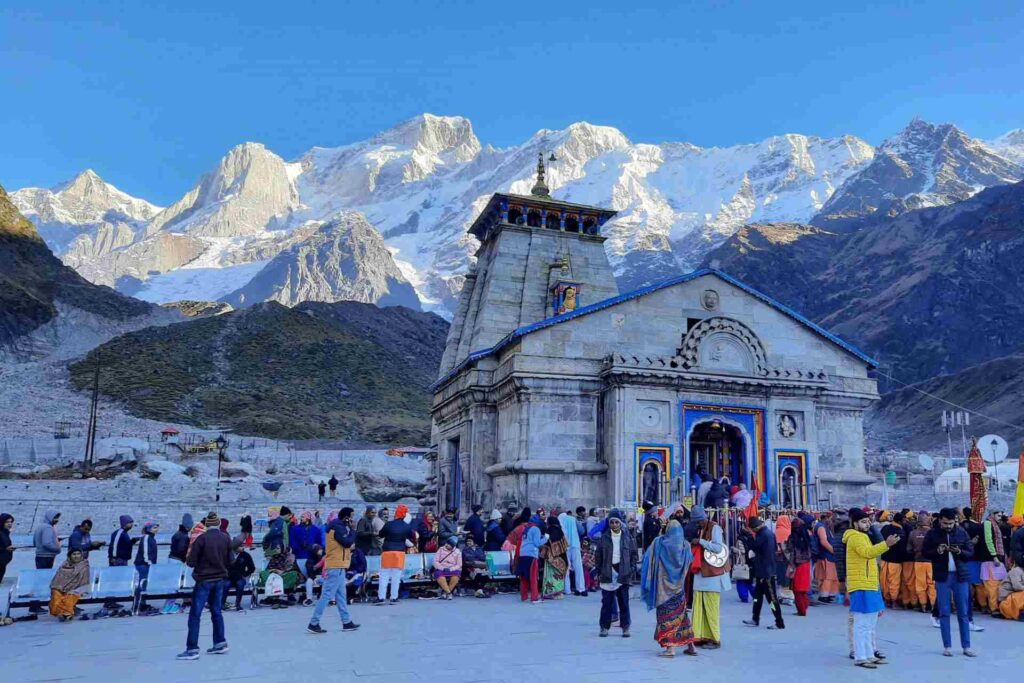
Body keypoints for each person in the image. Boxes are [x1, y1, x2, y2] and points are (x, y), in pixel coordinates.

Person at [844, 507, 898, 669]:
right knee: (862, 624)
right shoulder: (855, 537)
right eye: (863, 521)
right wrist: (886, 544)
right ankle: (860, 656)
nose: (867, 524)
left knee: (870, 624)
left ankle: (868, 654)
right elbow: (867, 553)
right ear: (854, 523)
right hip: (861, 584)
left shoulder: (864, 536)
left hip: (870, 583)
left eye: (868, 521)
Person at [178, 512, 231, 660]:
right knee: (217, 611)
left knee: (196, 614)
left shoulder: (202, 539)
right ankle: (220, 642)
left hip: (204, 580)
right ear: (219, 524)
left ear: (207, 525)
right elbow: (230, 560)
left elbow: (191, 562)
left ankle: (192, 648)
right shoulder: (225, 538)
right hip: (219, 579)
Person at [924, 507, 976, 657]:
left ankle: (966, 646)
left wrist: (959, 552)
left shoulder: (961, 532)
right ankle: (947, 646)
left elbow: (970, 552)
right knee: (944, 612)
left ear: (955, 521)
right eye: (945, 523)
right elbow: (925, 552)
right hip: (942, 576)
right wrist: (937, 551)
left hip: (960, 576)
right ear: (940, 520)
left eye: (951, 523)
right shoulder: (932, 534)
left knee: (963, 612)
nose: (948, 526)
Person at [641, 519, 695, 657]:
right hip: (679, 588)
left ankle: (670, 649)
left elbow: (647, 559)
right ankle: (691, 646)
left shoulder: (659, 543)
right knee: (682, 616)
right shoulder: (686, 546)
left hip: (663, 588)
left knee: (666, 617)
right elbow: (689, 562)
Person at [307, 507, 360, 633]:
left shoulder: (336, 526)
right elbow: (347, 543)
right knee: (326, 595)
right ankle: (314, 623)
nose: (352, 519)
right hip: (336, 565)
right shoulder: (337, 527)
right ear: (346, 517)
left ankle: (346, 622)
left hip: (339, 565)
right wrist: (353, 530)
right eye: (351, 516)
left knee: (341, 596)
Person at [692, 508, 730, 649]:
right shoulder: (700, 529)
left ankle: (715, 639)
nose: (699, 524)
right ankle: (699, 635)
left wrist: (701, 542)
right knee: (699, 607)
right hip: (701, 574)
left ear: (704, 518)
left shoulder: (715, 528)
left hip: (713, 576)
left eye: (699, 521)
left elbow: (718, 548)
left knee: (711, 608)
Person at [597, 510, 637, 637]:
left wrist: (631, 568)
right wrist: (599, 571)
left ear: (620, 523)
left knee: (624, 602)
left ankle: (625, 627)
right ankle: (604, 627)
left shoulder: (627, 537)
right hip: (608, 573)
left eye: (616, 522)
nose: (614, 525)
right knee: (607, 602)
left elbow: (633, 554)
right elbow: (598, 556)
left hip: (623, 573)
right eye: (612, 522)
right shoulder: (604, 538)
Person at [743, 516, 785, 630]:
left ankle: (779, 622)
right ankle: (755, 618)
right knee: (757, 597)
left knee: (771, 599)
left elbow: (754, 547)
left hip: (766, 573)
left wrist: (749, 537)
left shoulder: (763, 535)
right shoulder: (768, 533)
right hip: (763, 571)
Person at [377, 503, 415, 605]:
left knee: (384, 575)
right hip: (400, 552)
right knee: (396, 576)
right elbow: (412, 535)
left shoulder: (389, 524)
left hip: (387, 551)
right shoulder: (407, 526)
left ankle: (381, 597)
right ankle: (394, 597)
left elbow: (380, 534)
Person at [977, 510, 1007, 616]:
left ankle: (994, 607)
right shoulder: (988, 523)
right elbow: (988, 540)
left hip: (995, 558)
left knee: (996, 584)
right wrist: (994, 555)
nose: (1000, 517)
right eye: (998, 515)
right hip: (990, 559)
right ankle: (994, 608)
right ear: (991, 515)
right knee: (992, 585)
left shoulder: (995, 524)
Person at [49, 547, 90, 621]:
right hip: (61, 587)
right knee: (56, 594)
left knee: (70, 596)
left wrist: (70, 588)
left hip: (79, 587)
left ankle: (66, 614)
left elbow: (84, 580)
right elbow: (58, 578)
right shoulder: (64, 565)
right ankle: (64, 613)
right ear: (70, 556)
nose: (76, 556)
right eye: (74, 554)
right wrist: (59, 587)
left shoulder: (84, 565)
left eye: (78, 554)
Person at [880, 512, 909, 608]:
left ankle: (886, 599)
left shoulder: (885, 528)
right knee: (894, 581)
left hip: (884, 558)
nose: (905, 522)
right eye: (904, 520)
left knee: (884, 580)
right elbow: (902, 548)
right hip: (895, 561)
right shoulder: (900, 531)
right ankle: (894, 600)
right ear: (900, 521)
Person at [517, 514, 548, 603]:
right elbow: (537, 543)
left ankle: (524, 597)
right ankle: (534, 598)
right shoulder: (536, 529)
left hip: (523, 554)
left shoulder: (525, 529)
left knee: (524, 577)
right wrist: (545, 538)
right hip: (531, 555)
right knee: (533, 576)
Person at [908, 512, 936, 612]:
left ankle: (923, 605)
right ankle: (933, 605)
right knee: (932, 583)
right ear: (928, 520)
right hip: (931, 562)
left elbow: (909, 549)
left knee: (920, 584)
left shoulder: (912, 533)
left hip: (918, 561)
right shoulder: (933, 532)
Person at [787, 516, 813, 616]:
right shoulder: (807, 536)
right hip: (806, 564)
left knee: (797, 589)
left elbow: (791, 553)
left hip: (797, 565)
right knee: (803, 589)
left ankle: (801, 610)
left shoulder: (793, 538)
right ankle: (804, 606)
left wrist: (791, 566)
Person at [812, 513, 839, 603]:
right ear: (826, 518)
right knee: (828, 576)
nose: (832, 521)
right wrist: (833, 551)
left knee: (832, 577)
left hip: (829, 555)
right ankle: (824, 595)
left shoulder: (826, 527)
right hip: (826, 555)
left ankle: (830, 594)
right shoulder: (821, 527)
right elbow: (823, 542)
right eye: (831, 519)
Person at [559, 509, 586, 596]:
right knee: (578, 567)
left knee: (566, 567)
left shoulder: (559, 519)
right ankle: (581, 588)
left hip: (565, 546)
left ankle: (567, 589)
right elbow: (582, 531)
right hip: (575, 544)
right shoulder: (573, 519)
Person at [541, 514, 569, 600]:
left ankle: (550, 593)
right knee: (559, 576)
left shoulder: (549, 530)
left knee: (550, 575)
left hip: (551, 558)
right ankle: (559, 593)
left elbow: (546, 542)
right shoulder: (560, 531)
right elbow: (565, 545)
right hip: (562, 558)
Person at [134, 522, 160, 611]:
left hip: (146, 564)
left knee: (144, 584)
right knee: (142, 584)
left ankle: (142, 603)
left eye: (156, 527)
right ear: (149, 529)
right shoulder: (146, 537)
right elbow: (145, 551)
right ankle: (138, 603)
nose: (156, 529)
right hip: (143, 564)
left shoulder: (151, 538)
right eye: (154, 527)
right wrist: (149, 563)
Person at [226, 537, 255, 611]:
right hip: (229, 577)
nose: (243, 547)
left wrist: (245, 574)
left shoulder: (246, 555)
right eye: (241, 546)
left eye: (243, 545)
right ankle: (222, 604)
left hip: (240, 577)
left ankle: (237, 604)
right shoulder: (227, 554)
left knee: (240, 584)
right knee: (225, 585)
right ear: (235, 547)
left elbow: (252, 568)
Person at [433, 536, 463, 600]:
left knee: (456, 575)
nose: (446, 545)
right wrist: (442, 568)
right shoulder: (441, 549)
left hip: (452, 568)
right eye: (446, 543)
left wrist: (451, 569)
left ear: (453, 546)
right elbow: (435, 561)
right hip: (441, 568)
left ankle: (445, 592)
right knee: (439, 575)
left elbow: (459, 564)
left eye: (448, 544)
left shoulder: (458, 552)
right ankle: (449, 593)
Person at [0, 513, 14, 585]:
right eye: (7, 522)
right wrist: (5, 549)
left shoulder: (5, 533)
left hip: (3, 562)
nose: (9, 524)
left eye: (11, 522)